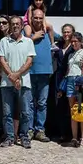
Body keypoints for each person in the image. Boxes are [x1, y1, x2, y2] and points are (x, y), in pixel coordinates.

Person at [0, 15, 36, 148]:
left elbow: (29, 62)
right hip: (6, 83)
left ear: (21, 26)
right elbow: (2, 60)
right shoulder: (4, 41)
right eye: (12, 24)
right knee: (7, 113)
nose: (15, 26)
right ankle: (9, 137)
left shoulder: (28, 42)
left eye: (17, 24)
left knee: (25, 112)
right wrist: (11, 76)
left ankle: (24, 137)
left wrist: (17, 75)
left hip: (24, 82)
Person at [26, 8, 54, 143]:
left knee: (42, 103)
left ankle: (40, 130)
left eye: (40, 18)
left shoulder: (48, 32)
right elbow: (21, 44)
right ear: (31, 18)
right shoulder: (27, 33)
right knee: (30, 103)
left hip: (45, 73)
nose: (37, 20)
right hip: (30, 72)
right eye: (35, 17)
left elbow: (64, 41)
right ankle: (30, 129)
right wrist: (33, 38)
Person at [64, 32, 83, 147]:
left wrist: (81, 83)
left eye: (75, 41)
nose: (73, 43)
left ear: (81, 42)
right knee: (73, 110)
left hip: (80, 81)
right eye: (72, 41)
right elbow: (68, 69)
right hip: (70, 80)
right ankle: (74, 136)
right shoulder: (71, 54)